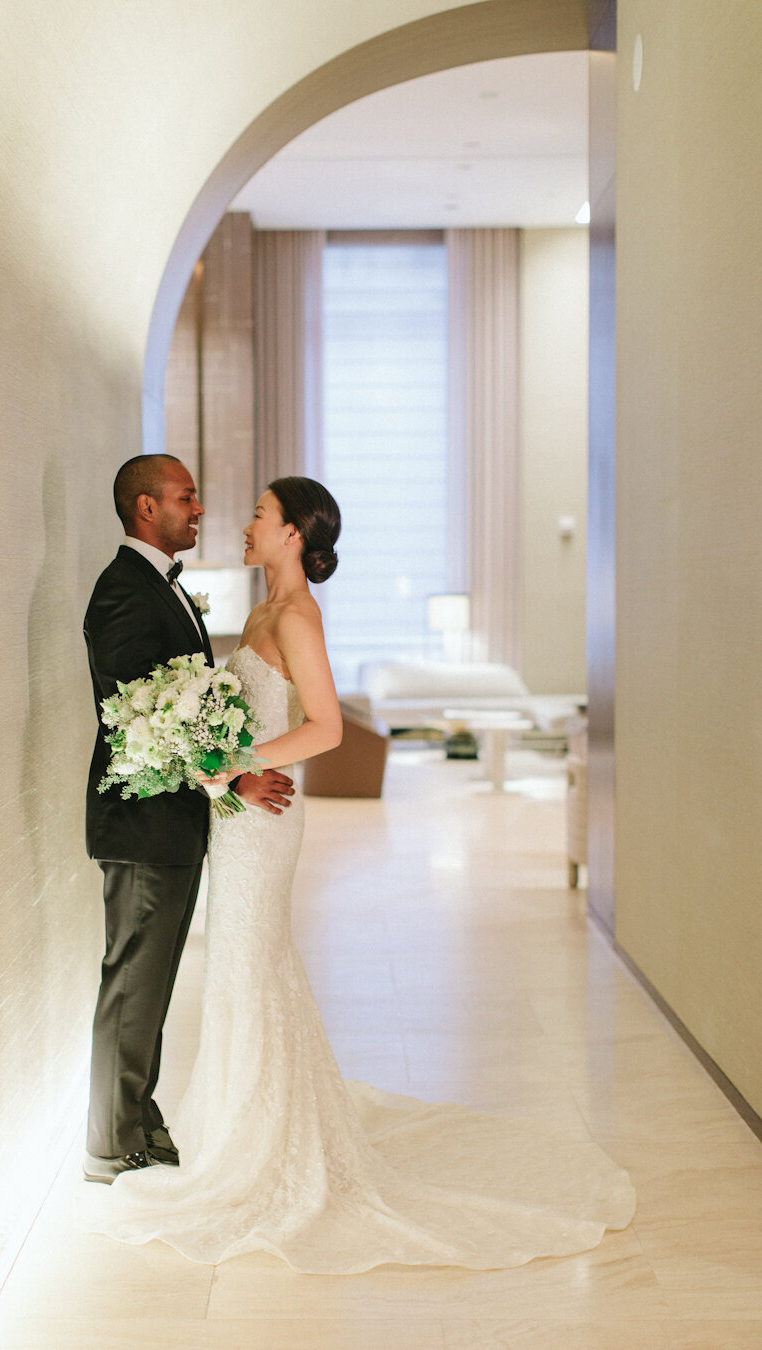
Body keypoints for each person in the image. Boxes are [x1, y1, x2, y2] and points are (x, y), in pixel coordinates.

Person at [92, 475, 636, 1271]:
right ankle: (243, 1131)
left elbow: (322, 729)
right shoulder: (259, 613)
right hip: (236, 816)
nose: (243, 523)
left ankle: (262, 1151)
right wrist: (218, 761)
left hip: (263, 820)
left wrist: (235, 761)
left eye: (259, 515)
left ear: (292, 535)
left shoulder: (298, 617)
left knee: (249, 963)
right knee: (245, 969)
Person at [82, 454, 294, 1183]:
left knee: (153, 981)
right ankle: (112, 1143)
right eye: (186, 496)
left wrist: (229, 775)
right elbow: (153, 719)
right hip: (142, 825)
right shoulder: (123, 593)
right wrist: (238, 775)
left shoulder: (158, 588)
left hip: (169, 825)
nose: (199, 509)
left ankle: (137, 1119)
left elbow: (183, 709)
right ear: (146, 509)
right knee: (134, 981)